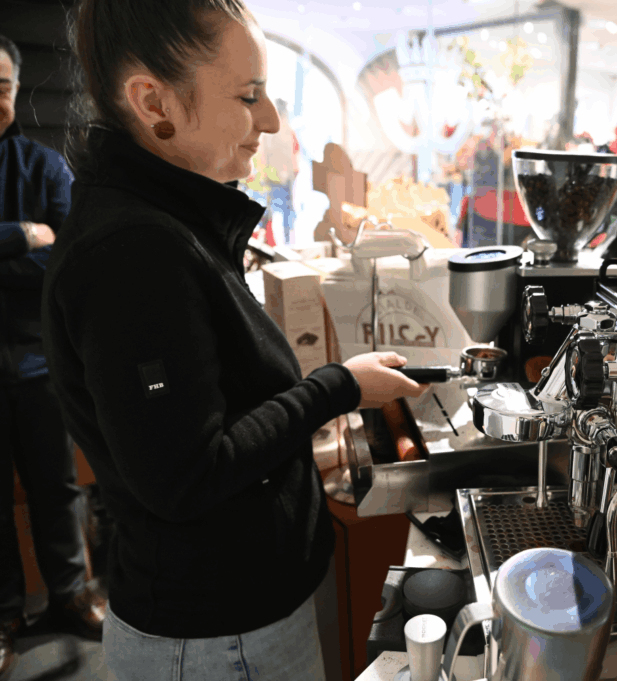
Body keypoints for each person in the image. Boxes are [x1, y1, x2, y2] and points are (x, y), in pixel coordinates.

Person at [43, 1, 427, 678]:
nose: (272, 119)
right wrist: (335, 388)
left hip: (234, 622)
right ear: (154, 102)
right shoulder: (133, 253)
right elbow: (187, 474)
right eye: (248, 96)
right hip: (214, 641)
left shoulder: (172, 221)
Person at [0, 32, 104, 680]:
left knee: (56, 486)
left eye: (2, 88)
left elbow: (70, 259)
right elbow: (39, 250)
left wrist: (29, 255)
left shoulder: (44, 168)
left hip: (39, 359)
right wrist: (18, 237)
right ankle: (6, 613)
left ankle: (68, 593)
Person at [264, 98, 300, 244]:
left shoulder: (272, 131)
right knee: (283, 211)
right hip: (281, 177)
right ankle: (282, 241)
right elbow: (295, 153)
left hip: (275, 176)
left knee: (277, 211)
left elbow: (264, 153)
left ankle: (277, 241)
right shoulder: (285, 131)